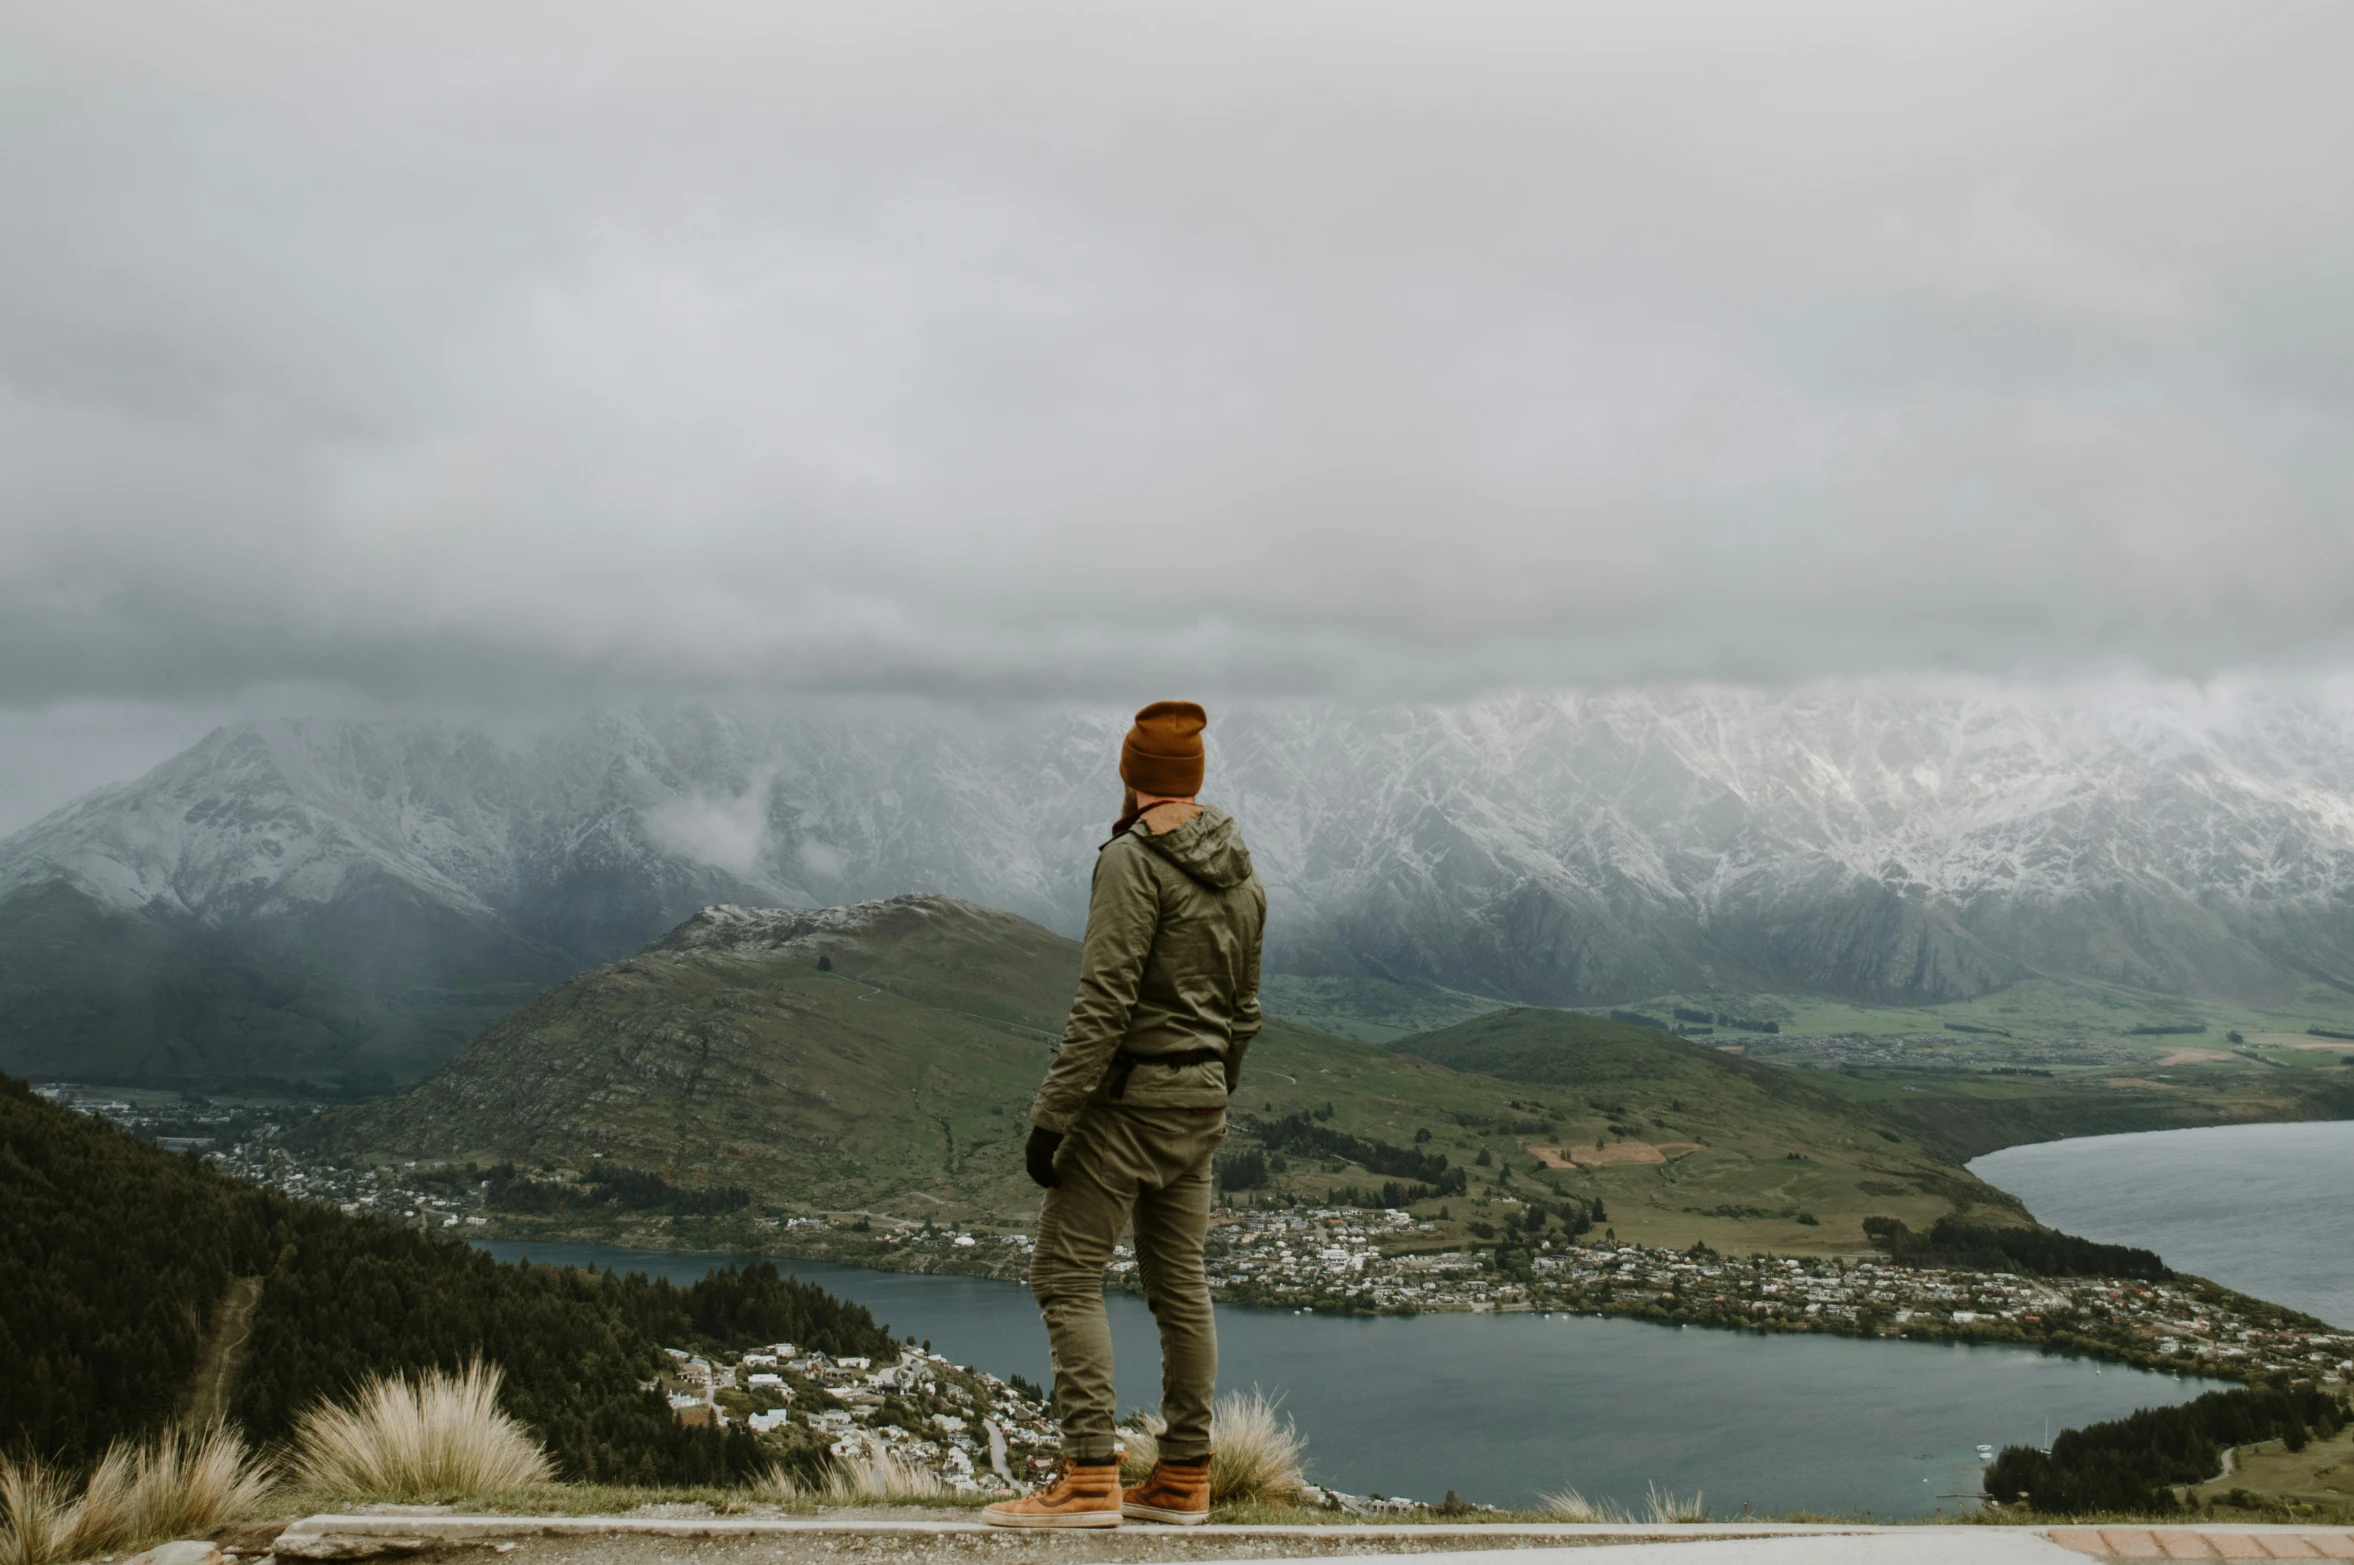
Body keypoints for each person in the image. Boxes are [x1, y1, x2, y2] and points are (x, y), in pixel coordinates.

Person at [981, 701, 1266, 1530]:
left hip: (1130, 1104)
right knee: (1181, 1284)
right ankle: (1182, 1477)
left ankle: (1088, 1476)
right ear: (1195, 779)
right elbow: (1245, 1011)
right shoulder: (1244, 873)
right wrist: (1214, 1086)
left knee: (1065, 1276)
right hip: (1201, 1102)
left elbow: (1102, 1003)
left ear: (1132, 773)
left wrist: (1052, 1118)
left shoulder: (1132, 863)